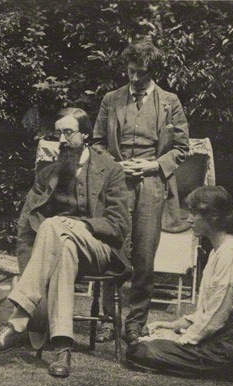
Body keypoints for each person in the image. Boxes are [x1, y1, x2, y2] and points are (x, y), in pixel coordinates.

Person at [0, 108, 131, 378]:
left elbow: (119, 225)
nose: (61, 139)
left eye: (68, 132)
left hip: (99, 248)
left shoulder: (110, 170)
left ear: (85, 135)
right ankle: (62, 348)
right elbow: (26, 226)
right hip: (61, 249)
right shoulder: (48, 174)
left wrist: (83, 225)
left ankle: (16, 322)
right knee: (64, 248)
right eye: (57, 133)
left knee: (52, 225)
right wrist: (29, 264)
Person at [92, 36, 190, 344]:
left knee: (145, 255)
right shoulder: (112, 99)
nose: (134, 79)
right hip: (117, 182)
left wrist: (152, 166)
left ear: (153, 73)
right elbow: (96, 143)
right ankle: (109, 319)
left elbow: (181, 148)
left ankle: (135, 322)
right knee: (111, 250)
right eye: (131, 72)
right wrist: (117, 167)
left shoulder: (169, 102)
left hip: (151, 184)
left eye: (141, 74)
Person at [126, 186, 233, 381]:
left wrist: (179, 339)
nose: (189, 219)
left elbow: (217, 316)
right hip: (231, 336)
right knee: (146, 342)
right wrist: (172, 326)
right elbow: (209, 311)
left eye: (195, 214)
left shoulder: (230, 253)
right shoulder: (218, 250)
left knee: (141, 351)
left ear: (213, 218)